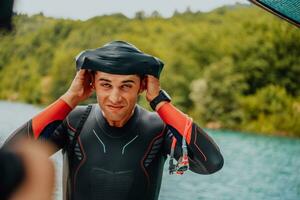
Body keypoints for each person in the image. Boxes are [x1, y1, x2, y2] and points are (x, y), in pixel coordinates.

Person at [3, 41, 224, 200]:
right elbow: (11, 159)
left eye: (126, 85)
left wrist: (160, 102)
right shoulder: (74, 122)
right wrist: (70, 98)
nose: (115, 97)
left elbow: (211, 162)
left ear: (142, 86)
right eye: (106, 85)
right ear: (92, 84)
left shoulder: (158, 128)